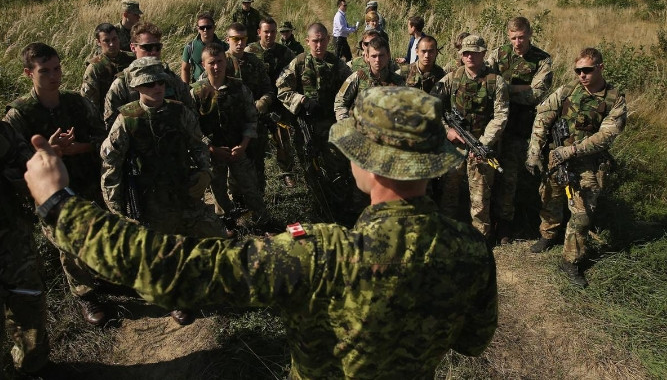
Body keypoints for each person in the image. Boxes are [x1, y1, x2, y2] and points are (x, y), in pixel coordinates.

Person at [25, 86, 498, 379]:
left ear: (366, 163)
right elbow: (472, 341)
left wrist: (58, 205)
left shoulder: (322, 255)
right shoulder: (472, 251)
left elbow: (177, 271)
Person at [101, 58, 224, 325]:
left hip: (184, 191)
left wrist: (205, 172)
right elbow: (111, 166)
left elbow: (199, 145)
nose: (156, 87)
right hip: (150, 200)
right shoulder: (126, 119)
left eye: (160, 82)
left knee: (214, 233)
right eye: (149, 83)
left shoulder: (179, 112)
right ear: (137, 86)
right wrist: (116, 208)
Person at [4, 42, 107, 326]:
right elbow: (14, 167)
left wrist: (81, 148)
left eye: (57, 68)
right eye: (45, 70)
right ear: (28, 73)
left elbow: (105, 139)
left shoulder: (76, 103)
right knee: (68, 244)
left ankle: (103, 277)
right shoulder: (19, 115)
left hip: (87, 184)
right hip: (51, 193)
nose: (54, 76)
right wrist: (47, 152)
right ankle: (85, 293)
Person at [525, 48, 627, 287]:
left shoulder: (614, 99)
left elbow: (607, 135)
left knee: (581, 215)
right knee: (550, 198)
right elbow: (543, 117)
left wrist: (572, 150)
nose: (582, 75)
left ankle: (570, 260)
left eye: (587, 70)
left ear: (600, 68)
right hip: (556, 156)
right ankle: (548, 235)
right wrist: (534, 151)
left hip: (587, 164)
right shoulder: (567, 91)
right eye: (578, 70)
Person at [430, 35, 509, 241]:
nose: (469, 56)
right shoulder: (452, 78)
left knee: (480, 196)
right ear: (461, 56)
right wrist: (447, 129)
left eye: (474, 52)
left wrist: (483, 143)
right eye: (466, 53)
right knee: (449, 191)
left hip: (482, 144)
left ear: (483, 53)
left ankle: (480, 237)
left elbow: (501, 116)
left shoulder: (496, 82)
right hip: (455, 144)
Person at [276, 22, 355, 225]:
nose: (318, 45)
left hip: (331, 126)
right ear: (307, 41)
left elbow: (353, 87)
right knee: (310, 168)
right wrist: (301, 100)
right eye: (315, 41)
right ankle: (318, 208)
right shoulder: (299, 63)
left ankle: (340, 209)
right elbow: (282, 90)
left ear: (328, 40)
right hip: (307, 126)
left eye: (322, 40)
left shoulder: (337, 64)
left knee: (337, 167)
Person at [487, 17, 553, 244]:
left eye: (522, 37)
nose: (518, 42)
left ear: (530, 34)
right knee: (488, 173)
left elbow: (535, 94)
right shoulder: (497, 54)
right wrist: (517, 88)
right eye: (514, 37)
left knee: (510, 177)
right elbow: (486, 83)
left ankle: (505, 223)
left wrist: (502, 88)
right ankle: (487, 220)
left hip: (519, 127)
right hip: (493, 125)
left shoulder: (541, 60)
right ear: (508, 36)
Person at [191, 43, 269, 227]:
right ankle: (227, 225)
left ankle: (263, 223)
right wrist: (210, 147)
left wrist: (243, 145)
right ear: (203, 65)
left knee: (251, 188)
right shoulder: (196, 92)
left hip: (238, 150)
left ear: (226, 62)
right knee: (218, 191)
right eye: (211, 63)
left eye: (220, 61)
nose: (216, 67)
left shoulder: (239, 89)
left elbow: (251, 119)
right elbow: (191, 126)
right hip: (212, 153)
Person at [0, 121, 49, 376]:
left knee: (27, 304)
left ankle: (32, 368)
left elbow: (31, 170)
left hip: (12, 241)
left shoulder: (3, 133)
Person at [104, 22, 194, 130]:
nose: (153, 52)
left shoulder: (172, 79)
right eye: (148, 48)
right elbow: (111, 125)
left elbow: (191, 115)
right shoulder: (122, 83)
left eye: (157, 47)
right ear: (133, 48)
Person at [245, 17, 297, 188]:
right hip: (256, 103)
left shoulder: (285, 53)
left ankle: (286, 172)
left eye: (273, 31)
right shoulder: (250, 51)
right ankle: (256, 175)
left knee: (283, 139)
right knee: (255, 141)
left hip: (278, 103)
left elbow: (294, 75)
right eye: (266, 31)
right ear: (259, 32)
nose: (270, 35)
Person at [225, 22, 274, 196]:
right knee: (232, 168)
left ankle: (259, 202)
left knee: (257, 163)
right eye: (235, 39)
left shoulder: (255, 62)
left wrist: (263, 102)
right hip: (229, 126)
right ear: (228, 40)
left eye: (243, 39)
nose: (239, 43)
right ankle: (235, 204)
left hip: (254, 123)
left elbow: (268, 89)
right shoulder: (219, 63)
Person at [335, 37, 404, 121]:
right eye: (374, 56)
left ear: (388, 55)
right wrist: (345, 124)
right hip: (361, 129)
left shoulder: (398, 81)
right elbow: (340, 102)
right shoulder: (358, 77)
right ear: (367, 57)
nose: (377, 60)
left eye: (381, 55)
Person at [81, 23, 135, 118]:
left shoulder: (133, 59)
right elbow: (89, 101)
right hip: (108, 118)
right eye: (106, 41)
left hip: (134, 115)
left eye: (114, 39)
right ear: (98, 42)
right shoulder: (95, 67)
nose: (112, 44)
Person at [180, 11, 227, 84]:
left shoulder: (224, 46)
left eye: (208, 27)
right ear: (198, 29)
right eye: (202, 28)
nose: (205, 30)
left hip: (220, 85)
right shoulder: (190, 47)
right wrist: (185, 88)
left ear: (214, 27)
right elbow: (185, 69)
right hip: (198, 87)